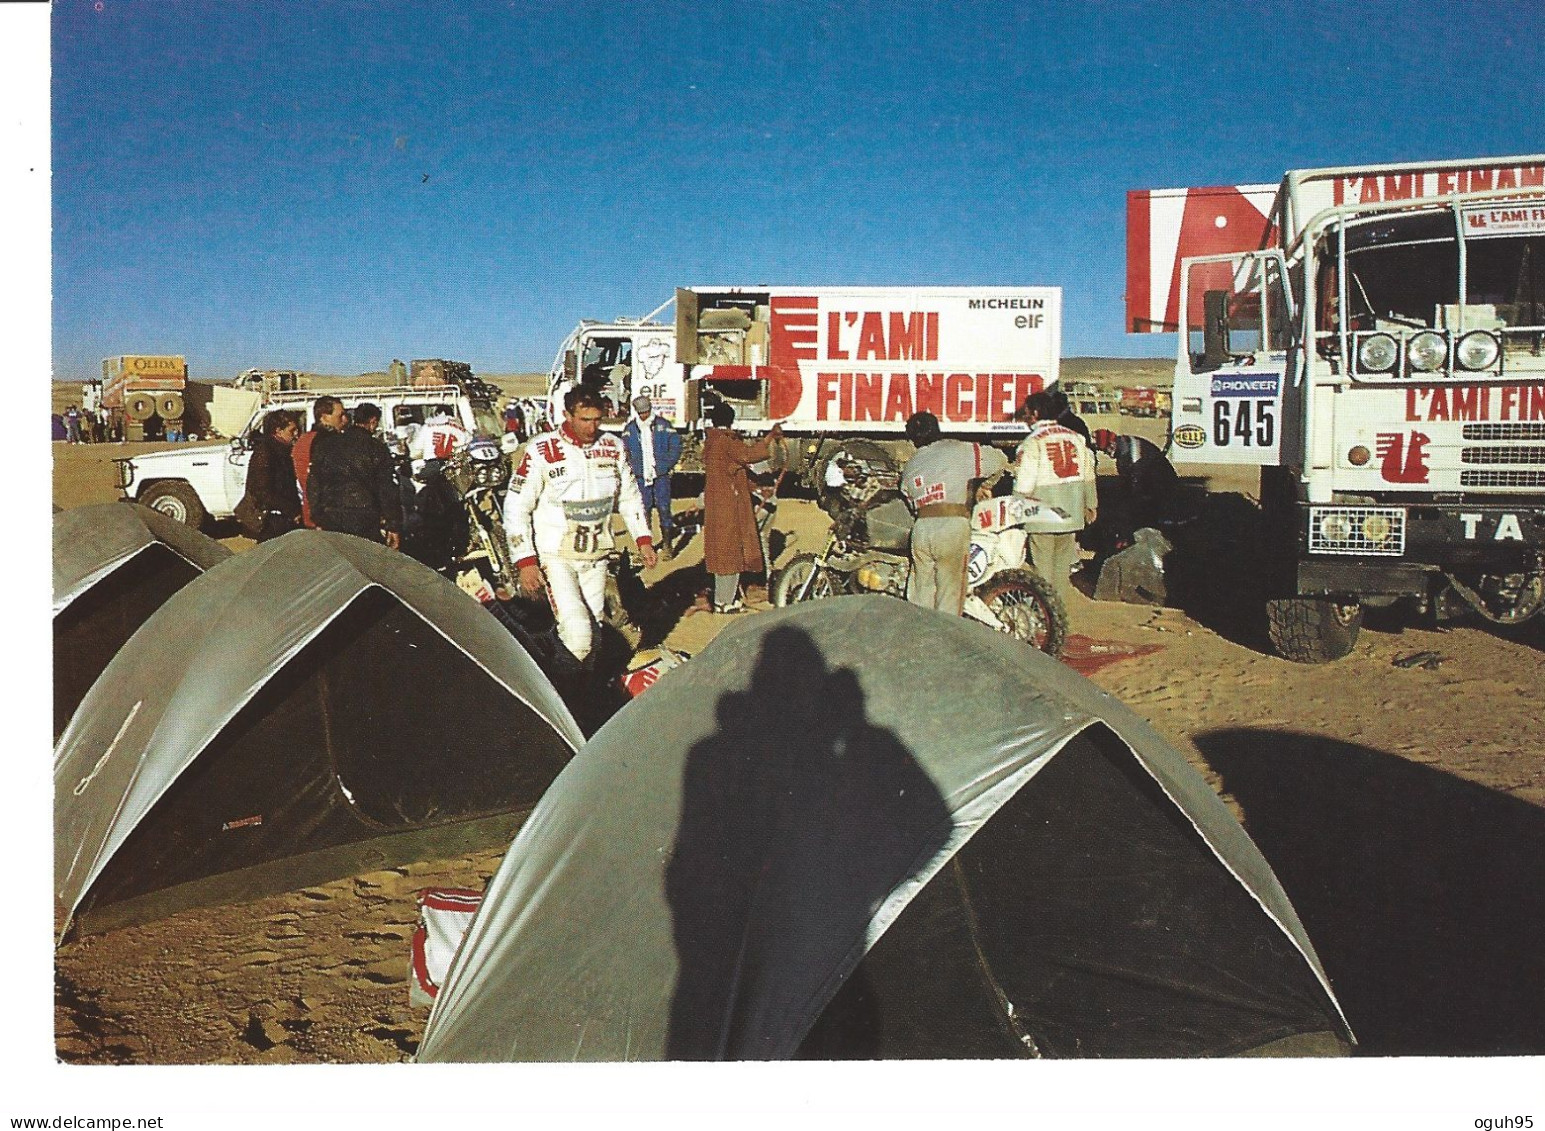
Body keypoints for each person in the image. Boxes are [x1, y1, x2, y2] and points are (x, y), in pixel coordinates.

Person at [504, 386, 657, 665]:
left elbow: (629, 496)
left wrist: (643, 539)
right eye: (584, 419)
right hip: (556, 558)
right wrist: (525, 560)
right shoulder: (541, 450)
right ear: (567, 415)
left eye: (597, 419)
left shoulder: (613, 447)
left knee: (595, 634)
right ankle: (563, 691)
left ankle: (586, 693)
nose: (592, 427)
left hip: (596, 557)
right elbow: (516, 505)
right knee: (578, 635)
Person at [899, 410, 1008, 614]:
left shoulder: (910, 466)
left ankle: (920, 637)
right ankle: (947, 640)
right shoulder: (959, 450)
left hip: (921, 530)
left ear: (913, 439)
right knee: (950, 594)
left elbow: (909, 497)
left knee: (921, 594)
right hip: (951, 527)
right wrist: (985, 486)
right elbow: (999, 460)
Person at [1014, 390, 1097, 607]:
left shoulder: (1032, 443)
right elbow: (1089, 474)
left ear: (1035, 413)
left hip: (1041, 515)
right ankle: (1058, 612)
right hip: (1071, 513)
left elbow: (1024, 485)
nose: (1024, 417)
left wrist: (1015, 510)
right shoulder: (1076, 438)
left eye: (1026, 413)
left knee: (1042, 569)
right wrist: (1091, 504)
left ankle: (1043, 613)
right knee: (1061, 570)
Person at [702, 403, 781, 613]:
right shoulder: (727, 441)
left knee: (722, 551)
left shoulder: (711, 442)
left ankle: (725, 598)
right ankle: (724, 603)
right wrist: (770, 437)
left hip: (717, 503)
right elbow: (748, 455)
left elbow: (731, 470)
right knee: (730, 552)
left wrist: (754, 487)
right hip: (729, 505)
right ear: (731, 419)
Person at [308, 401, 402, 548]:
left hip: (331, 516)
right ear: (372, 422)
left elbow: (313, 483)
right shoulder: (376, 448)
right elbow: (387, 488)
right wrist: (393, 525)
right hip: (365, 516)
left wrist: (317, 517)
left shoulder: (326, 445)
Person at [622, 395, 684, 558]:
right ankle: (646, 548)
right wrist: (632, 468)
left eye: (646, 412)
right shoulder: (630, 429)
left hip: (660, 476)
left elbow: (676, 446)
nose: (644, 415)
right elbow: (625, 450)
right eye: (641, 412)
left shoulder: (664, 426)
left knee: (664, 509)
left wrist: (666, 465)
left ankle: (667, 545)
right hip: (641, 477)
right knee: (643, 511)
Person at [1091, 427, 1179, 534]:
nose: (1106, 454)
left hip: (1162, 483)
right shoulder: (1123, 448)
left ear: (1111, 444)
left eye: (1105, 450)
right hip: (1151, 481)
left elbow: (1136, 481)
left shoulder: (1132, 452)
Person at [244, 409, 303, 541]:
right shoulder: (265, 453)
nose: (296, 434)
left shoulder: (284, 452)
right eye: (292, 430)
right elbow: (261, 490)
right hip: (272, 521)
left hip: (286, 518)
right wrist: (291, 510)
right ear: (278, 431)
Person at [293, 396, 346, 529]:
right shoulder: (328, 442)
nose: (344, 420)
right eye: (340, 415)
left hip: (312, 512)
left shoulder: (303, 440)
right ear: (324, 417)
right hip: (326, 514)